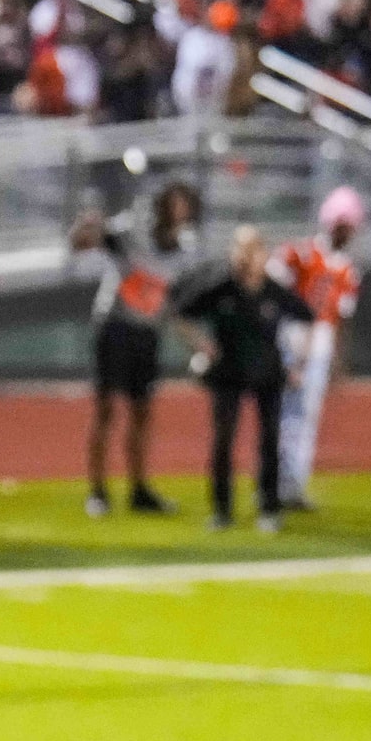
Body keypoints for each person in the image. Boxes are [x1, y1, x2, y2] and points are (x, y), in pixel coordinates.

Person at [171, 225, 312, 533]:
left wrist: (299, 362)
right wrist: (203, 346)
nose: (246, 257)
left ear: (263, 253)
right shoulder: (220, 288)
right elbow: (179, 313)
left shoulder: (274, 291)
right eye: (240, 248)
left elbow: (306, 318)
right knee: (223, 441)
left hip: (267, 372)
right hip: (228, 373)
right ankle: (222, 510)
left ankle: (269, 507)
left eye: (252, 249)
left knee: (270, 440)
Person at [73, 181, 200, 516]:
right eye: (173, 203)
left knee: (143, 412)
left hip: (146, 332)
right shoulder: (132, 232)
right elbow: (85, 242)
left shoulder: (185, 250)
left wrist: (194, 340)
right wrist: (89, 225)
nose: (178, 211)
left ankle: (139, 488)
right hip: (114, 326)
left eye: (183, 204)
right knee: (106, 409)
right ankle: (98, 491)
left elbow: (171, 301)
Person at [271, 186, 363, 512]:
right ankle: (275, 482)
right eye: (343, 224)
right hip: (293, 336)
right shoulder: (301, 254)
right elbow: (273, 286)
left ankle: (293, 483)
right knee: (282, 412)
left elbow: (341, 318)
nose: (347, 232)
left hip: (320, 342)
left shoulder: (347, 270)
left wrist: (340, 357)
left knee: (306, 415)